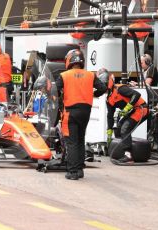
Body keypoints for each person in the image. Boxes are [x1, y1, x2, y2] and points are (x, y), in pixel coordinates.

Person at [56, 49, 106, 180]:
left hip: (70, 111)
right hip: (85, 111)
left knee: (71, 142)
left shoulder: (64, 75)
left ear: (69, 60)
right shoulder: (90, 75)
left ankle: (72, 172)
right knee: (80, 139)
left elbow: (55, 92)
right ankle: (79, 169)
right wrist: (94, 94)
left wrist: (60, 97)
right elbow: (103, 88)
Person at [98, 68, 149, 163]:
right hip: (133, 111)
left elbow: (136, 94)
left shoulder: (120, 88)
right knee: (119, 127)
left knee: (125, 128)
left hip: (142, 109)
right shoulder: (109, 99)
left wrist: (127, 107)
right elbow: (110, 115)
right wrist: (109, 131)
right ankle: (121, 152)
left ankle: (128, 155)